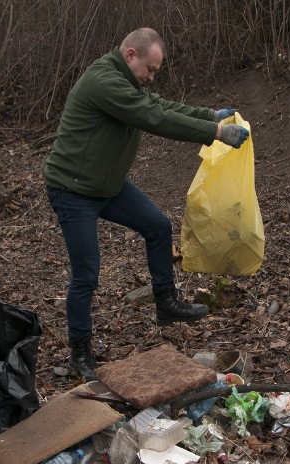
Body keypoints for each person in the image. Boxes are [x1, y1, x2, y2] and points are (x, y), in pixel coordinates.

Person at [44, 27, 250, 381]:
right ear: (130, 55)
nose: (152, 77)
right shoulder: (103, 83)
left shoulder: (127, 82)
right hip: (72, 190)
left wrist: (207, 115)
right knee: (87, 274)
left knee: (157, 226)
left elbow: (158, 105)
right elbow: (152, 117)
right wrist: (216, 134)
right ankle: (80, 352)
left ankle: (166, 304)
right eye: (150, 69)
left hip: (105, 186)